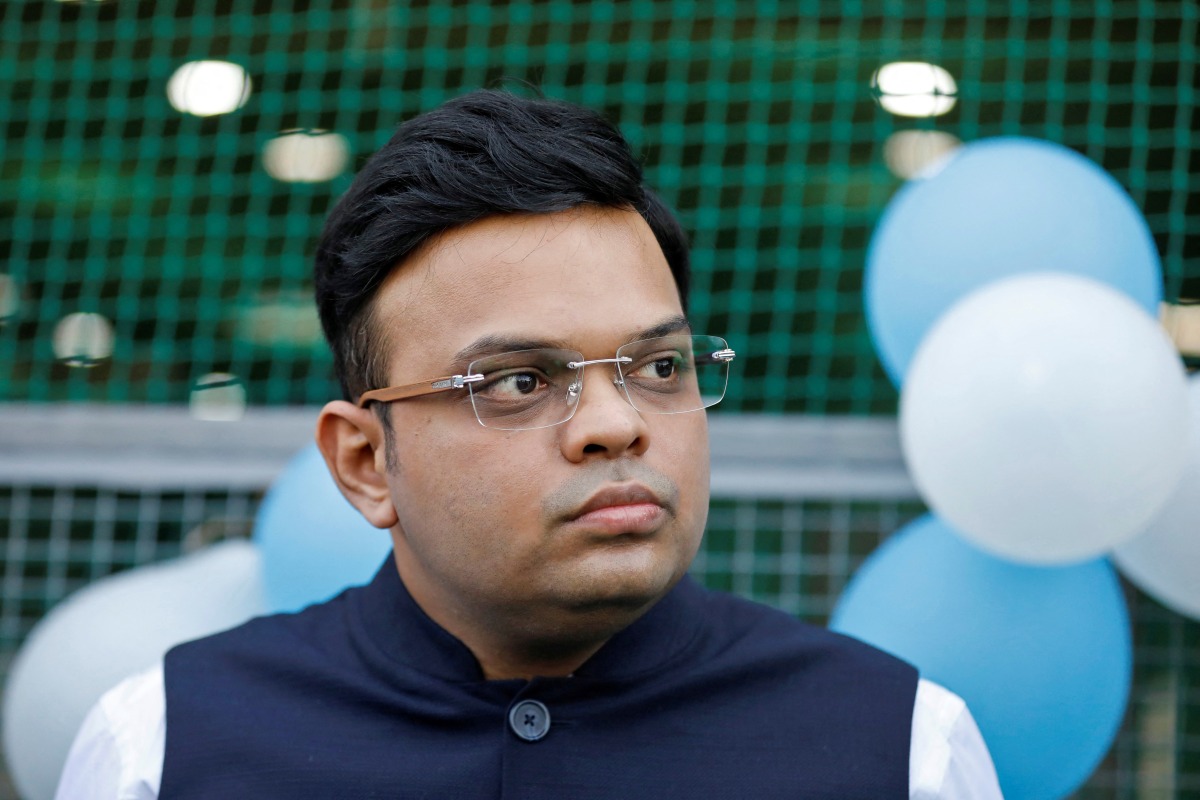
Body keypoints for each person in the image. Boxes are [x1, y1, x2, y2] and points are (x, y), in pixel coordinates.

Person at [57, 90, 1003, 798]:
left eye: (659, 366)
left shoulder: (899, 748)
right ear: (365, 462)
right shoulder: (167, 746)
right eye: (518, 382)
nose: (616, 424)